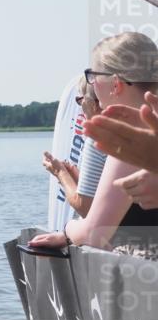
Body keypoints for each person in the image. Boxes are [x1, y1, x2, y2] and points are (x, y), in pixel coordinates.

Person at [30, 32, 158, 255]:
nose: (92, 85)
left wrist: (67, 230)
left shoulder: (130, 136)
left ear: (115, 83)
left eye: (93, 76)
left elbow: (94, 235)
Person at [41, 80, 107, 218]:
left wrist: (60, 173)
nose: (80, 106)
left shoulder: (97, 139)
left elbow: (84, 207)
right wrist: (73, 176)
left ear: (92, 104)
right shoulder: (125, 132)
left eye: (80, 99)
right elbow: (104, 191)